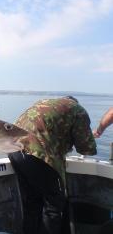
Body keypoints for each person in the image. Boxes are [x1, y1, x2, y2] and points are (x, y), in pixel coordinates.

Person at [8, 96, 97, 234]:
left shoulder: (44, 103)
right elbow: (86, 148)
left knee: (32, 204)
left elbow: (47, 130)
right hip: (38, 154)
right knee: (54, 206)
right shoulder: (78, 110)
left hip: (14, 151)